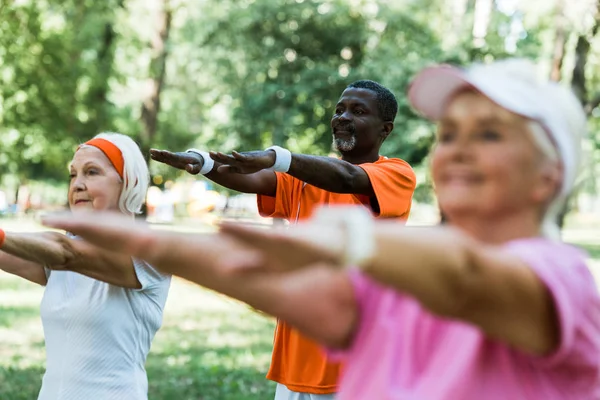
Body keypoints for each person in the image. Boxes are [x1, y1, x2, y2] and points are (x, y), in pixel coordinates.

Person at [42, 59, 600, 399]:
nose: (457, 151)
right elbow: (294, 290)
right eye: (449, 134)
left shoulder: (559, 278)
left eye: (491, 135)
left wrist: (346, 243)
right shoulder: (409, 300)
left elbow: (465, 275)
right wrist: (164, 244)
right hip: (298, 372)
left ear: (549, 173)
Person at [150, 80, 417, 399]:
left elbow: (346, 179)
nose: (343, 117)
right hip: (297, 360)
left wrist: (278, 157)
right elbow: (253, 178)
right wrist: (204, 164)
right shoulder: (306, 178)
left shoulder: (397, 174)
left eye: (358, 111)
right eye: (339, 109)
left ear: (385, 129)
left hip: (356, 362)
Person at [0, 133, 171, 400]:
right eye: (73, 175)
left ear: (129, 181)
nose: (77, 184)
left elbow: (68, 255)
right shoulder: (60, 254)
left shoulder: (148, 251)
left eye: (91, 172)